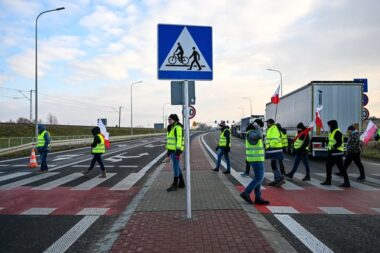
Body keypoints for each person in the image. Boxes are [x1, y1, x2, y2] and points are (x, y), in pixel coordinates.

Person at [240, 119, 270, 205]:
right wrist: (257, 127)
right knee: (259, 178)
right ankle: (246, 193)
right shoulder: (251, 133)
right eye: (260, 127)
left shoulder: (252, 132)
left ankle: (258, 197)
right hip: (255, 160)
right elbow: (260, 136)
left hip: (257, 159)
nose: (260, 129)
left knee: (259, 179)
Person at [321, 120, 350, 187]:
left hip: (335, 153)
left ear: (332, 125)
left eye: (329, 125)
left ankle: (328, 181)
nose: (329, 126)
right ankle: (346, 182)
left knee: (329, 166)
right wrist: (326, 141)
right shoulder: (332, 132)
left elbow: (339, 143)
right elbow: (332, 141)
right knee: (341, 168)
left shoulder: (337, 132)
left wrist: (332, 148)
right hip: (335, 153)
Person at [166, 114, 185, 191]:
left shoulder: (177, 127)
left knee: (175, 166)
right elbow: (170, 141)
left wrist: (178, 151)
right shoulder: (171, 127)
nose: (169, 121)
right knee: (177, 166)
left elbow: (179, 140)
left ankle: (175, 184)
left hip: (176, 151)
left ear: (174, 120)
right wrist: (168, 151)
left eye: (170, 119)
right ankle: (181, 182)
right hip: (172, 150)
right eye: (168, 119)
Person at [265, 119, 285, 186]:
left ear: (271, 123)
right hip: (274, 150)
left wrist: (270, 146)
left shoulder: (274, 129)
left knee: (273, 164)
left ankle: (279, 178)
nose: (267, 124)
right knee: (273, 164)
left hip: (275, 150)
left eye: (267, 123)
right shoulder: (271, 128)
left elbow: (275, 139)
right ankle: (277, 179)